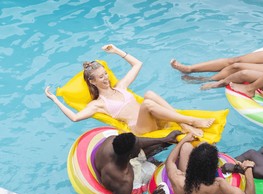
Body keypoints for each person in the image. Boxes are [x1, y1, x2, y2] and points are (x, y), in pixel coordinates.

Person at [45, 44, 214, 137]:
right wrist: (55, 99)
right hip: (141, 129)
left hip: (153, 119)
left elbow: (138, 64)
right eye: (101, 77)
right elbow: (75, 118)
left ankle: (184, 123)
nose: (106, 78)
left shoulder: (121, 87)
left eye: (106, 74)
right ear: (92, 81)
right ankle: (191, 121)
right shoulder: (98, 104)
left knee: (149, 94)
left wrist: (117, 51)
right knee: (147, 103)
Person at [94, 129, 182, 194]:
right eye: (138, 147)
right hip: (128, 174)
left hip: (123, 162)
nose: (140, 145)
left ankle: (165, 143)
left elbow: (138, 141)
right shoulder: (124, 181)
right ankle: (153, 162)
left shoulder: (111, 141)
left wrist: (164, 139)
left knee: (162, 145)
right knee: (160, 167)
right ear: (131, 155)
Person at [165, 133, 256, 194]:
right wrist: (248, 168)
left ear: (191, 162)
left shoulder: (177, 178)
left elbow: (170, 161)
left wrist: (183, 140)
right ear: (215, 166)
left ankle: (189, 148)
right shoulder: (219, 185)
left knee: (186, 146)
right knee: (204, 145)